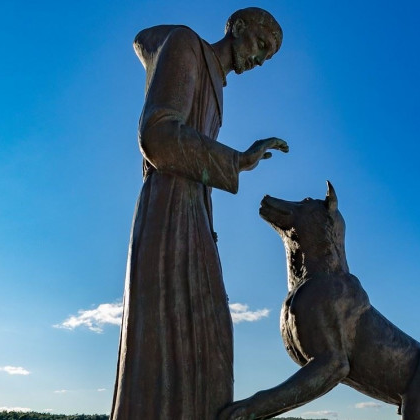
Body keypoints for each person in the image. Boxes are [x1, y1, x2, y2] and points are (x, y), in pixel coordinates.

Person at [110, 8, 287, 420]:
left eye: (268, 56)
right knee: (170, 341)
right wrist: (237, 161)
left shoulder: (218, 91)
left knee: (211, 339)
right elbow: (156, 136)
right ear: (238, 26)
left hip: (193, 215)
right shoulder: (187, 46)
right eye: (261, 44)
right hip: (168, 211)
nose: (260, 59)